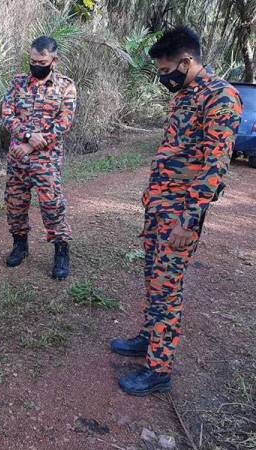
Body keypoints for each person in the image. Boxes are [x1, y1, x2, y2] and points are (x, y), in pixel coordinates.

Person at [111, 27, 243, 396]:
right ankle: (148, 339)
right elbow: (175, 150)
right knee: (153, 277)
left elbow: (215, 166)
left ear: (186, 62)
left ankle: (159, 369)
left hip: (182, 214)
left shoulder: (221, 97)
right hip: (160, 206)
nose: (163, 76)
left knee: (167, 288)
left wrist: (190, 220)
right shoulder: (184, 94)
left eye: (166, 69)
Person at [2, 36, 77, 280]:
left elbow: (64, 122)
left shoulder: (66, 86)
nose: (36, 65)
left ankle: (61, 252)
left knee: (52, 205)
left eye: (41, 61)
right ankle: (20, 245)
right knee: (15, 203)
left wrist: (34, 144)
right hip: (18, 157)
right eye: (32, 60)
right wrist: (26, 136)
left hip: (47, 159)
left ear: (54, 59)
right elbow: (7, 114)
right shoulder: (17, 83)